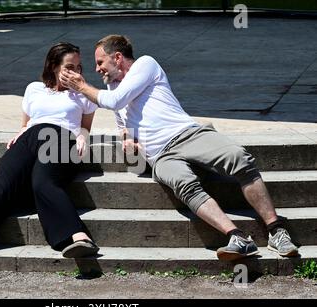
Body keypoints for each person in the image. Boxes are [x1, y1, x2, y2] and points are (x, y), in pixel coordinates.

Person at [59, 34, 299, 261]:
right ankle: (236, 237)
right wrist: (127, 139)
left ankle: (276, 230)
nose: (97, 69)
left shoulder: (146, 64)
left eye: (100, 62)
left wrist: (81, 86)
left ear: (118, 57)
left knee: (239, 158)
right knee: (185, 185)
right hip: (160, 155)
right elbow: (122, 122)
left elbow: (114, 101)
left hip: (188, 134)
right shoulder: (112, 89)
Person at [0, 42, 100, 259]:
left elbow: (85, 128)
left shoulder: (83, 95)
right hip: (29, 138)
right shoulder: (34, 88)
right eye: (70, 67)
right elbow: (26, 124)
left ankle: (78, 237)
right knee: (2, 187)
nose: (75, 73)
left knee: (43, 182)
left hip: (59, 137)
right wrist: (20, 132)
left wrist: (81, 136)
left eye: (78, 67)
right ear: (54, 66)